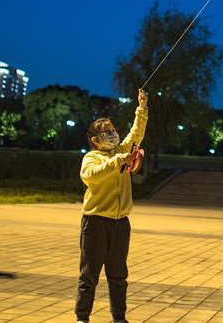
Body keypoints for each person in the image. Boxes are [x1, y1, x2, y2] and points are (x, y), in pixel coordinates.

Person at [74, 88, 149, 323]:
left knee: (118, 276)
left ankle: (119, 318)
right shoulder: (92, 158)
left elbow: (136, 133)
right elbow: (91, 176)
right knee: (89, 275)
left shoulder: (122, 151)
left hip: (120, 224)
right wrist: (117, 160)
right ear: (95, 140)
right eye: (106, 132)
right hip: (95, 222)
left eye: (113, 130)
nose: (113, 134)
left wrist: (142, 108)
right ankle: (82, 318)